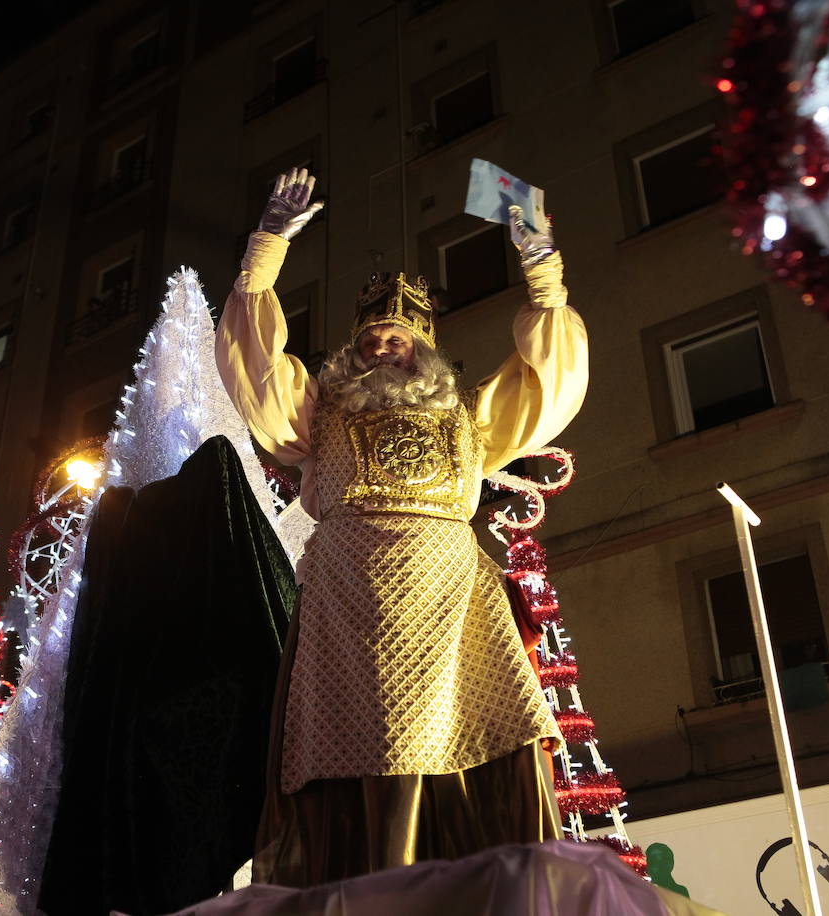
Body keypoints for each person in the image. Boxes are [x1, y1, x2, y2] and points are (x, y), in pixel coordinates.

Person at [216, 166, 589, 885]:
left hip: (452, 601)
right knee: (361, 742)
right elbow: (254, 366)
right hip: (348, 602)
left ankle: (487, 883)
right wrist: (266, 249)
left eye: (397, 340)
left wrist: (542, 266)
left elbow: (552, 380)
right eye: (371, 341)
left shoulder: (471, 416)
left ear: (424, 351)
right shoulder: (317, 414)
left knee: (486, 734)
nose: (383, 349)